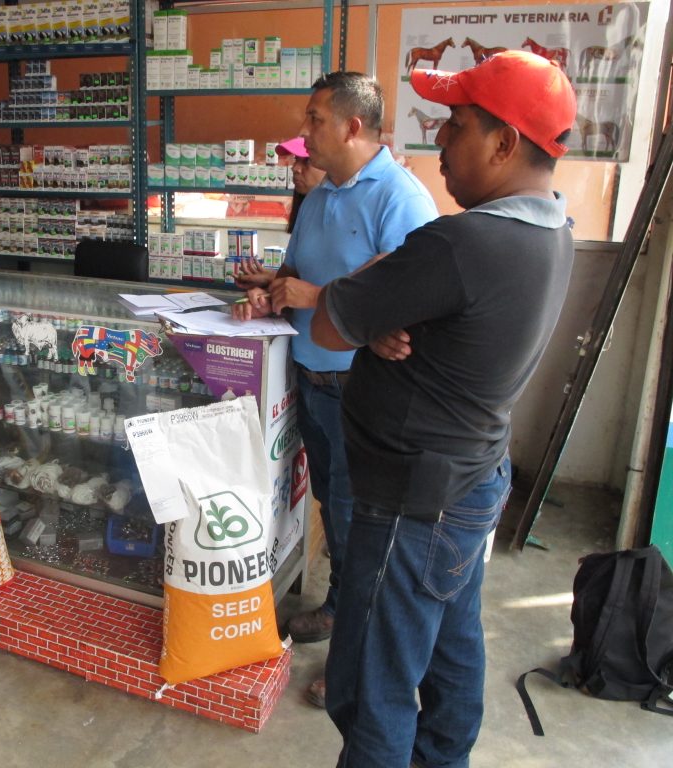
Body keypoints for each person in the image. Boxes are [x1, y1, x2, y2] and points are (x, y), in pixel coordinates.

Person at [310, 51, 577, 766]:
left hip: (410, 499)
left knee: (369, 689)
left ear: (504, 143)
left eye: (455, 126)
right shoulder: (552, 228)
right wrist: (385, 304)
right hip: (470, 479)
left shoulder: (460, 244)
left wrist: (372, 294)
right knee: (451, 655)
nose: (440, 144)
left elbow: (329, 322)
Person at [233, 72, 438, 702]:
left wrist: (314, 298)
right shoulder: (322, 197)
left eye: (315, 120)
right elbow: (300, 271)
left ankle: (356, 662)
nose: (304, 132)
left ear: (353, 126)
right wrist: (271, 295)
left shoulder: (399, 198)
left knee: (366, 521)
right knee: (334, 506)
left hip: (365, 390)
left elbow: (414, 299)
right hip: (312, 379)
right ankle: (342, 608)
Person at [235, 136, 326, 290]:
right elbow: (300, 274)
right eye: (296, 160)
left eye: (307, 161)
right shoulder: (308, 206)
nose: (295, 168)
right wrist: (272, 281)